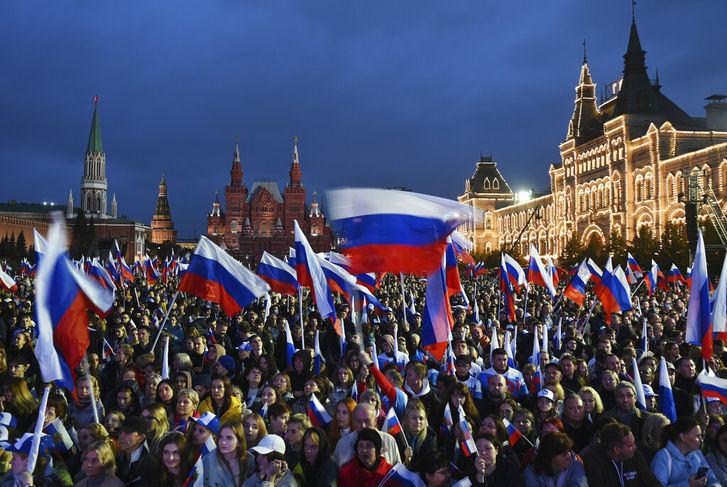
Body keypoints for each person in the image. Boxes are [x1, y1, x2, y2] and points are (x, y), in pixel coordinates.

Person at [581, 422, 660, 486]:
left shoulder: (636, 455)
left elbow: (653, 482)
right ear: (616, 449)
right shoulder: (594, 461)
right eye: (630, 446)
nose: (635, 447)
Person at [651, 416, 719, 487]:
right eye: (697, 436)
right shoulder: (662, 457)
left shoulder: (697, 453)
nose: (701, 440)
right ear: (683, 437)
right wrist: (688, 485)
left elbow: (712, 478)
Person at [332, 403, 402, 467]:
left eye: (367, 421)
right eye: (358, 421)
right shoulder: (342, 444)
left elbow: (398, 471)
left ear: (375, 421)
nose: (363, 425)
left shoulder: (389, 441)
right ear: (353, 421)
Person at [523, 432, 588, 486]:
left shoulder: (576, 465)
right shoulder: (532, 470)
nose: (569, 456)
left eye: (569, 451)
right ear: (550, 456)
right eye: (564, 454)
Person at [203, 420, 252, 486]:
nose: (223, 442)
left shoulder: (250, 460)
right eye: (221, 437)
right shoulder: (208, 460)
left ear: (239, 442)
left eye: (229, 438)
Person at [116, 416, 158, 486]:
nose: (121, 436)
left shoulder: (151, 464)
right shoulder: (117, 458)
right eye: (120, 432)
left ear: (140, 438)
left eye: (127, 433)